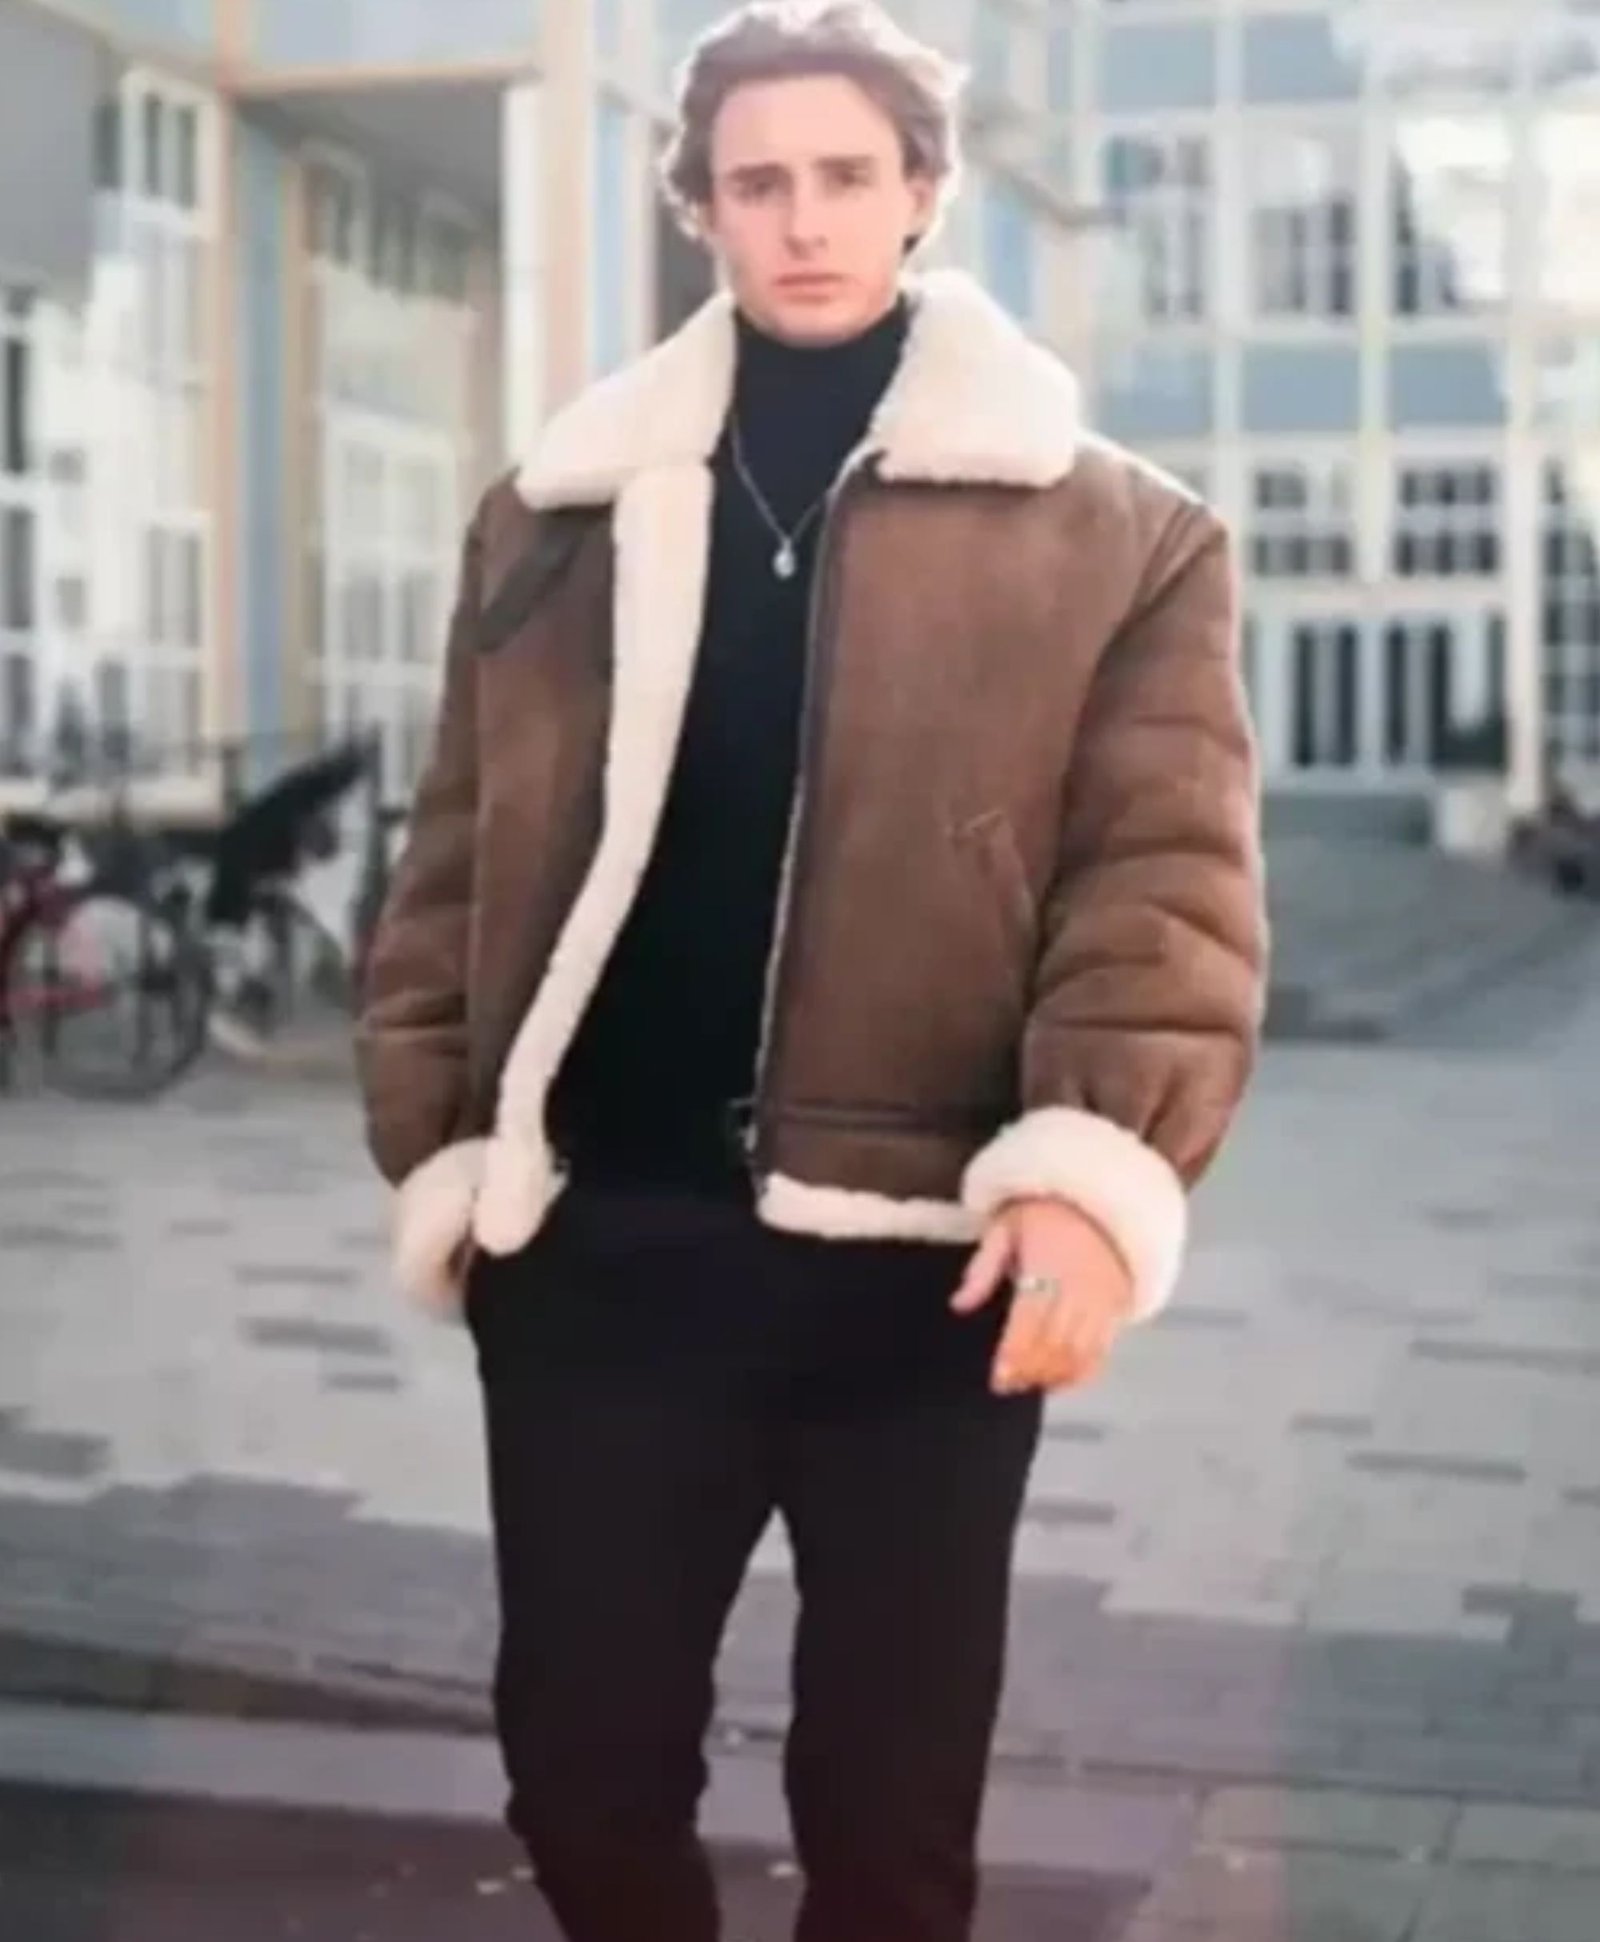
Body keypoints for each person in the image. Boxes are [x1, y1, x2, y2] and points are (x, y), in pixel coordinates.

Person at [355, 3, 1268, 1937]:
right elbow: (451, 861)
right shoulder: (555, 513)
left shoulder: (1120, 537)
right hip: (605, 1249)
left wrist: (1094, 1176)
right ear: (698, 207)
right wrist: (448, 1150)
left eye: (847, 174)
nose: (804, 219)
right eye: (756, 181)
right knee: (580, 1773)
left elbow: (1163, 891)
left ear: (924, 191)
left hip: (924, 1270)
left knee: (891, 1817)